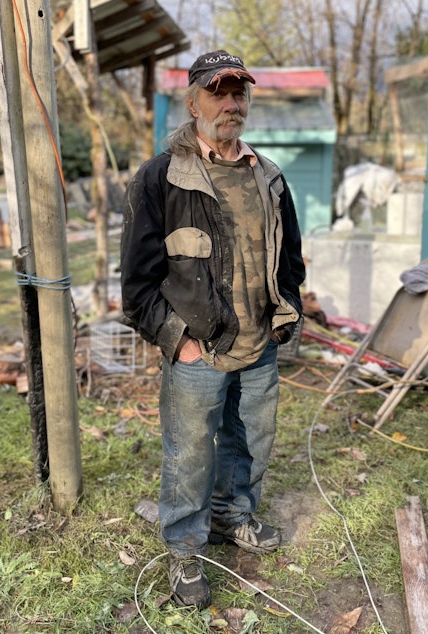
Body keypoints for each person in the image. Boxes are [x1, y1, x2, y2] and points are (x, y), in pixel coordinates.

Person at [120, 50, 305, 609]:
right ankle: (183, 553)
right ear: (193, 100)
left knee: (250, 443)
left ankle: (233, 517)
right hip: (198, 351)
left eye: (238, 93)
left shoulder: (268, 176)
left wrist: (286, 310)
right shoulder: (159, 178)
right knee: (190, 453)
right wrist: (183, 341)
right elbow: (137, 286)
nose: (230, 103)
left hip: (259, 347)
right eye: (218, 92)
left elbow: (291, 259)